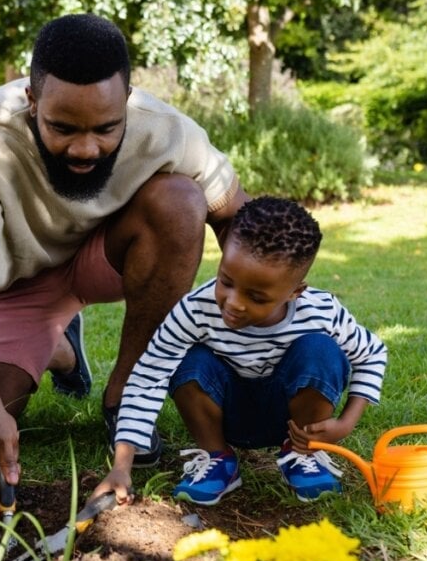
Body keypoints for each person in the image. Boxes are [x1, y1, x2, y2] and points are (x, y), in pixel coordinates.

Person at [0, 13, 248, 516]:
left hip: (106, 258)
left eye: (105, 128)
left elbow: (240, 222)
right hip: (16, 284)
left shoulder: (167, 130)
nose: (85, 148)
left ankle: (125, 397)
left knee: (181, 201)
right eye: (62, 128)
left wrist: (263, 320)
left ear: (126, 102)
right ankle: (60, 349)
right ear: (32, 102)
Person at [92, 196, 388, 506]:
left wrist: (346, 423)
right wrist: (121, 466)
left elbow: (373, 354)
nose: (233, 303)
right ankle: (218, 460)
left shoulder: (321, 311)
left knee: (321, 350)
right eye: (226, 281)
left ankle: (302, 455)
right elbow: (148, 375)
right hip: (223, 413)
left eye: (257, 297)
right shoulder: (195, 310)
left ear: (294, 292)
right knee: (188, 360)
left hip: (292, 418)